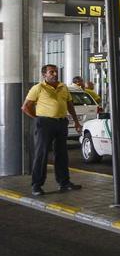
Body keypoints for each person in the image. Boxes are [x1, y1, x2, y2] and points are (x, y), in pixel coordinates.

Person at [21, 64, 83, 197]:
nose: (55, 74)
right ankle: (36, 185)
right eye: (51, 72)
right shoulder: (38, 88)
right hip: (45, 123)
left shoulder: (63, 87)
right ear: (44, 75)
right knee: (41, 154)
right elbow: (25, 107)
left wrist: (76, 121)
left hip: (61, 123)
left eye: (56, 72)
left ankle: (64, 183)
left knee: (62, 154)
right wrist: (38, 118)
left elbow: (69, 105)